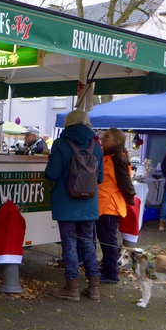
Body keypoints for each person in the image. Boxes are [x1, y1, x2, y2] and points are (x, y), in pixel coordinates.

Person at [45, 109, 104, 302]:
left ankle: (71, 287)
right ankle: (94, 287)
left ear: (67, 123)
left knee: (69, 244)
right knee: (88, 242)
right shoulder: (96, 145)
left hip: (66, 202)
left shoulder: (60, 144)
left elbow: (52, 173)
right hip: (88, 203)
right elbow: (100, 178)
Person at [96, 128, 135, 284]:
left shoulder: (117, 158)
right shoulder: (109, 155)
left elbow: (125, 182)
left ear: (116, 141)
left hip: (110, 205)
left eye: (107, 136)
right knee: (106, 239)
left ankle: (111, 273)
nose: (102, 138)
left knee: (108, 241)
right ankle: (108, 269)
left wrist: (130, 198)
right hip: (104, 203)